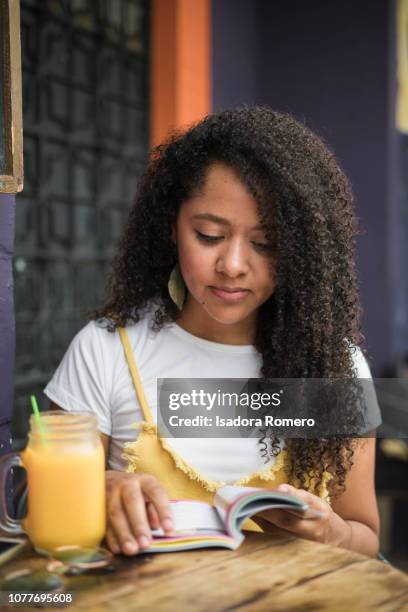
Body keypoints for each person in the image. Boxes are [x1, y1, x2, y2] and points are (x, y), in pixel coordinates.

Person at [44, 107, 381, 558]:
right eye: (208, 235)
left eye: (266, 244)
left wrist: (332, 533)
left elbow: (366, 540)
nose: (233, 266)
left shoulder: (332, 365)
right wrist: (97, 492)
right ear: (172, 228)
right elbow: (42, 511)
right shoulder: (105, 351)